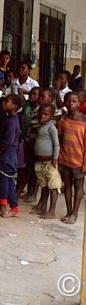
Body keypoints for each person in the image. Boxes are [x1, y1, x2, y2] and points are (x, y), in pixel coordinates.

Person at [0, 94, 23, 218]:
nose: (3, 102)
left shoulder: (12, 121)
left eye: (7, 101)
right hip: (8, 153)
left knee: (4, 182)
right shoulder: (9, 119)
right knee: (8, 181)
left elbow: (8, 142)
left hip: (7, 154)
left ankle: (3, 207)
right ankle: (14, 208)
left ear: (14, 106)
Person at [58, 92, 86, 224]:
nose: (71, 104)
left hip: (79, 161)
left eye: (74, 101)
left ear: (79, 103)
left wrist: (84, 164)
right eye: (68, 101)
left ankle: (74, 214)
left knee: (78, 187)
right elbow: (59, 138)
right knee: (67, 186)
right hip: (65, 158)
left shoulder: (84, 121)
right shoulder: (64, 119)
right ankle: (69, 211)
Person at [29, 104, 61, 219]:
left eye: (46, 114)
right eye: (41, 113)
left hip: (49, 162)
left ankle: (51, 211)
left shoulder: (51, 127)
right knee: (44, 186)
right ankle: (42, 206)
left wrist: (55, 159)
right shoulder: (40, 127)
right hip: (40, 162)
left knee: (53, 186)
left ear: (51, 116)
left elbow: (56, 144)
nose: (42, 116)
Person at [15, 86, 41, 201]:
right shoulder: (27, 107)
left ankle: (32, 193)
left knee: (32, 169)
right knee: (28, 168)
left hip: (36, 143)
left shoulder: (41, 110)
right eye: (31, 94)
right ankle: (28, 192)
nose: (32, 96)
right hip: (27, 141)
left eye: (35, 94)